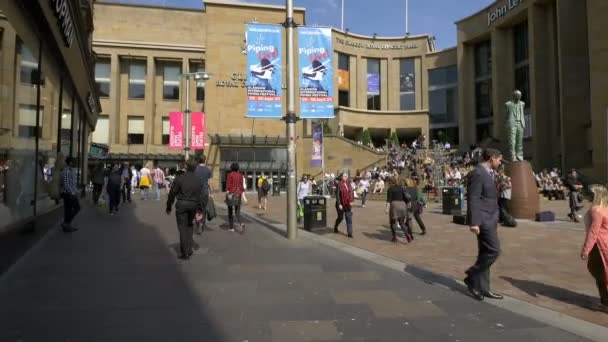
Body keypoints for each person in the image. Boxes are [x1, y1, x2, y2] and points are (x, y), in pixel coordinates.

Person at [464, 148, 503, 301]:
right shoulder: (478, 173)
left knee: (485, 252)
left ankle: (483, 287)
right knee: (494, 250)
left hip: (491, 218)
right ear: (492, 158)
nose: (500, 162)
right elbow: (473, 198)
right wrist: (474, 222)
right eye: (499, 159)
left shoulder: (488, 173)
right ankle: (472, 275)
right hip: (483, 219)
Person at [166, 158, 201, 260]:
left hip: (182, 204)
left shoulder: (179, 178)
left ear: (186, 167)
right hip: (193, 205)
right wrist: (200, 209)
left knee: (182, 228)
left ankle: (185, 252)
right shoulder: (198, 179)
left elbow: (172, 193)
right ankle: (189, 249)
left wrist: (169, 206)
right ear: (195, 168)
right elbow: (201, 195)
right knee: (189, 226)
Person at [581, 185, 608, 310]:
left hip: (600, 246)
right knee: (602, 274)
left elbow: (593, 232)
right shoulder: (605, 208)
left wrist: (586, 250)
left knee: (599, 273)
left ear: (596, 195)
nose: (588, 195)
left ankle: (605, 302)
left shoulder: (596, 210)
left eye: (591, 193)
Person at [385, 178, 413, 243]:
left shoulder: (390, 189)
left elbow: (389, 200)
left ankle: (394, 237)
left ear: (391, 182)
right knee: (402, 222)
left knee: (393, 222)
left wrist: (386, 209)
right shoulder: (402, 188)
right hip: (402, 205)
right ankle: (407, 235)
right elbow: (407, 197)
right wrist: (409, 203)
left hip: (394, 205)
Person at [60, 156, 80, 233]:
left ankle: (67, 226)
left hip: (70, 193)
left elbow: (72, 184)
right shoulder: (67, 171)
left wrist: (76, 191)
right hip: (68, 194)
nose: (76, 163)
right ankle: (66, 224)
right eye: (74, 161)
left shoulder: (71, 170)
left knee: (68, 210)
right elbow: (67, 185)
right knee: (77, 208)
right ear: (70, 163)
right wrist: (73, 193)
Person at [194, 154, 213, 234]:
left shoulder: (195, 169)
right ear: (205, 160)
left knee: (197, 210)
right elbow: (210, 183)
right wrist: (211, 192)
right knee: (204, 209)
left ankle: (198, 224)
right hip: (205, 192)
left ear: (198, 160)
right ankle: (202, 223)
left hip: (196, 192)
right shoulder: (208, 170)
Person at [225, 163, 245, 232]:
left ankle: (231, 228)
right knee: (237, 212)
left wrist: (227, 192)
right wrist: (241, 194)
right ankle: (241, 223)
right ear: (238, 168)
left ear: (231, 168)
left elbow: (228, 185)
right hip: (238, 194)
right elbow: (242, 187)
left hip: (231, 194)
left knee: (230, 211)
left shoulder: (230, 175)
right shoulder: (240, 175)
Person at [334, 173, 355, 238]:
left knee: (349, 218)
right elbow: (337, 195)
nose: (345, 177)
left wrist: (351, 201)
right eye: (344, 176)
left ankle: (350, 233)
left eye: (346, 176)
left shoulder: (349, 184)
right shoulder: (339, 184)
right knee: (340, 217)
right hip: (340, 204)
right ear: (341, 177)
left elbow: (351, 193)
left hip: (347, 204)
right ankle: (336, 227)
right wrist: (339, 204)